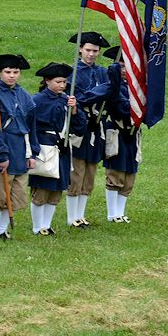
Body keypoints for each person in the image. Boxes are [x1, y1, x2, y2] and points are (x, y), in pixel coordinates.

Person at [0, 54, 39, 242]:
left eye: (16, 72)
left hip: (19, 150)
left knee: (14, 193)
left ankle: (0, 230)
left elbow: (31, 126)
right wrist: (0, 155)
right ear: (0, 73)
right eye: (7, 72)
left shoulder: (23, 95)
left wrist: (32, 152)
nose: (12, 76)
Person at [65, 31, 111, 227]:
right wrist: (97, 94)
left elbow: (110, 91)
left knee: (90, 171)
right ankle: (71, 217)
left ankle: (80, 215)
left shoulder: (102, 72)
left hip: (96, 125)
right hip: (79, 125)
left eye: (95, 51)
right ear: (80, 50)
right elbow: (77, 97)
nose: (91, 54)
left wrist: (99, 93)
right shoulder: (72, 73)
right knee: (77, 170)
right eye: (88, 50)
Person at [29, 63, 76, 235]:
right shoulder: (37, 100)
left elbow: (78, 127)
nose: (62, 85)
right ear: (47, 81)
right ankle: (37, 227)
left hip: (62, 147)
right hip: (45, 147)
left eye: (64, 82)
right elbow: (31, 126)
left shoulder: (66, 100)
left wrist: (75, 110)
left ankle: (46, 225)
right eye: (58, 81)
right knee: (42, 188)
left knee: (56, 189)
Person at [101, 47, 141, 223]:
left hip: (132, 132)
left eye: (128, 66)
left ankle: (120, 212)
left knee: (130, 172)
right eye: (122, 66)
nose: (125, 70)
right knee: (116, 172)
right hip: (117, 130)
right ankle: (112, 214)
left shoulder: (137, 87)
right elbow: (120, 107)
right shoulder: (112, 87)